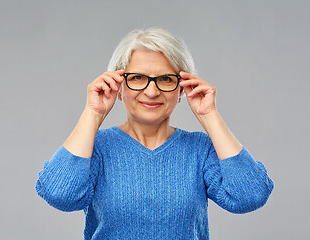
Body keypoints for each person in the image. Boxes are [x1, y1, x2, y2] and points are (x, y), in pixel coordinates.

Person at [35, 27, 274, 240]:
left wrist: (209, 115)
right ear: (118, 86)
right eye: (137, 78)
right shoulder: (95, 148)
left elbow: (250, 196)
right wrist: (92, 113)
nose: (151, 91)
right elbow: (60, 195)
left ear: (181, 89)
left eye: (166, 79)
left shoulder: (200, 150)